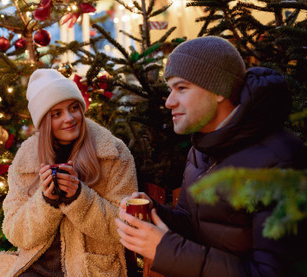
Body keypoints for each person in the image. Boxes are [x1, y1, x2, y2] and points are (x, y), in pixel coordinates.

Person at [115, 36, 307, 277]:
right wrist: (155, 213)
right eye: (169, 89)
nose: (168, 102)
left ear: (220, 89)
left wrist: (167, 250)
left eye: (182, 88)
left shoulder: (280, 161)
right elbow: (195, 224)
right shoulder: (202, 148)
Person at [0, 69, 138, 277]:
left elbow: (124, 227)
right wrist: (46, 201)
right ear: (44, 121)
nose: (70, 118)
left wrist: (79, 197)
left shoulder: (112, 153)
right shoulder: (26, 158)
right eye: (57, 114)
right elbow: (15, 232)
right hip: (34, 269)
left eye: (74, 108)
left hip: (91, 270)